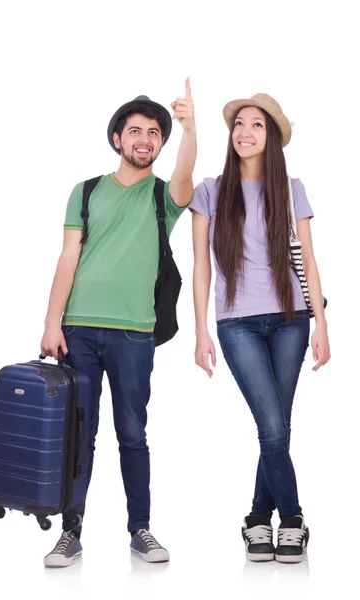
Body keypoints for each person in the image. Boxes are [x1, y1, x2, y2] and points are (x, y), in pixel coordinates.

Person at [40, 79, 196, 567]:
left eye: (155, 133)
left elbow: (187, 175)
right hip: (78, 330)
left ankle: (140, 529)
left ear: (160, 144)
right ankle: (71, 530)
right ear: (118, 139)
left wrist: (190, 128)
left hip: (134, 334)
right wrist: (51, 323)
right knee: (78, 434)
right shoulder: (84, 191)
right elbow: (68, 258)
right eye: (135, 131)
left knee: (132, 432)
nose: (145, 139)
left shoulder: (162, 198)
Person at [190, 93, 330, 563]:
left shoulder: (291, 188)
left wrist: (322, 324)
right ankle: (292, 519)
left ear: (272, 139)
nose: (245, 132)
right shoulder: (210, 190)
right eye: (239, 125)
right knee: (272, 426)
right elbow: (201, 266)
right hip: (236, 324)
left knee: (277, 428)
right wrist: (200, 331)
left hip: (292, 319)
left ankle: (256, 520)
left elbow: (307, 259)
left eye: (257, 125)